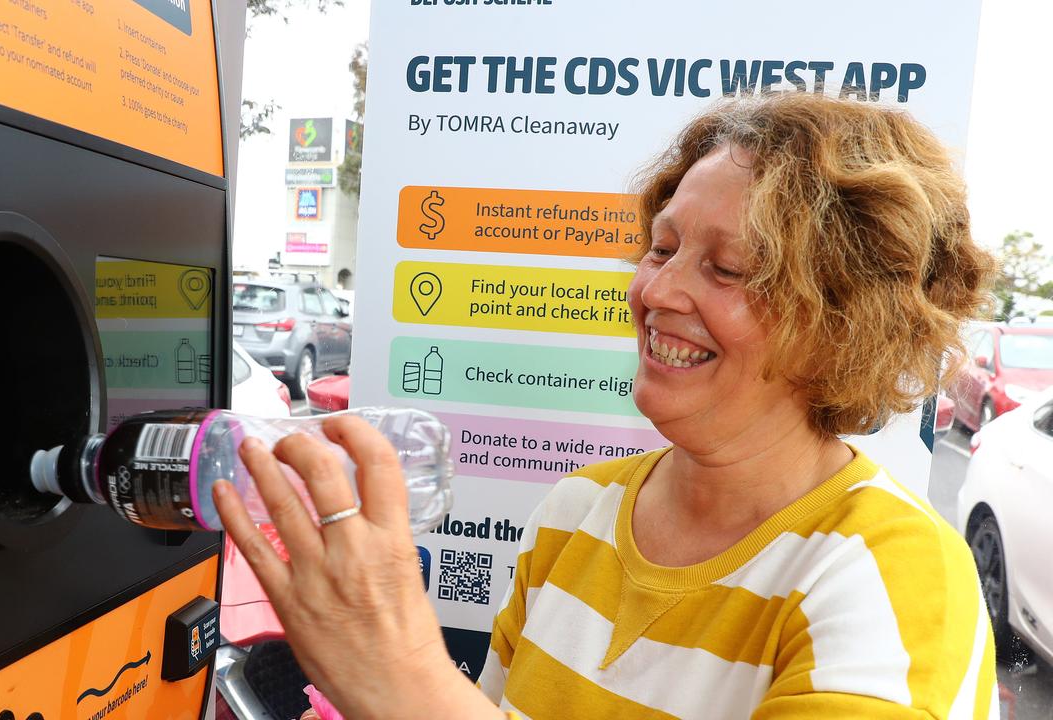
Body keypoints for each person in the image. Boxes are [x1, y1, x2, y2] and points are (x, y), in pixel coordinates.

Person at [214, 93, 999, 719]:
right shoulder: (577, 512)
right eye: (661, 249)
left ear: (843, 328)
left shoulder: (896, 577)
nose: (656, 291)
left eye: (727, 268)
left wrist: (406, 678)